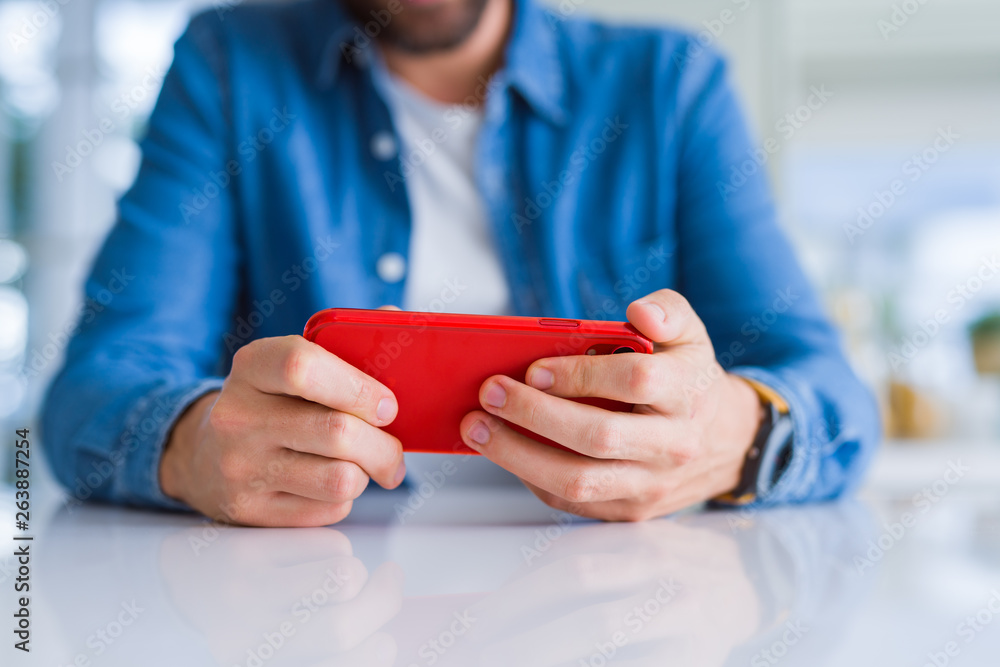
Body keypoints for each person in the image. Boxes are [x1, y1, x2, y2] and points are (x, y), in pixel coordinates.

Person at [41, 0, 880, 526]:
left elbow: (829, 388)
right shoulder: (229, 66)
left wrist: (734, 434)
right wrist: (192, 448)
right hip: (305, 598)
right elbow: (92, 388)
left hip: (620, 596)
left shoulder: (670, 85)